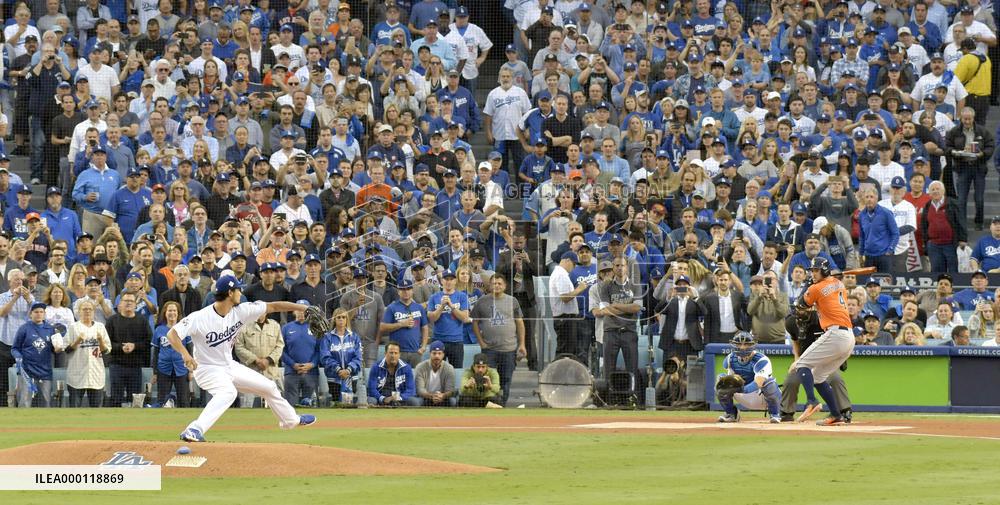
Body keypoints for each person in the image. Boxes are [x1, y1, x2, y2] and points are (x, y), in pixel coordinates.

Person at [165, 276, 315, 443]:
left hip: (229, 366)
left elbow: (273, 306)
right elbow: (172, 334)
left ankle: (290, 420)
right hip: (207, 369)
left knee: (269, 387)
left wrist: (305, 308)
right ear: (230, 293)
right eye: (238, 289)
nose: (240, 292)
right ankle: (195, 429)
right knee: (228, 392)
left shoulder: (241, 311)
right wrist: (185, 355)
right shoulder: (200, 317)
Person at [792, 257, 854, 426]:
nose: (813, 273)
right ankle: (836, 415)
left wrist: (807, 285)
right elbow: (826, 289)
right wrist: (814, 283)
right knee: (818, 377)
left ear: (825, 271)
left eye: (816, 270)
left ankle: (811, 401)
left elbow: (800, 305)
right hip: (848, 337)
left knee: (801, 364)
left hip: (836, 333)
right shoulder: (838, 283)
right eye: (812, 270)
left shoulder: (816, 288)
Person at [782, 304, 854, 422]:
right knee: (791, 380)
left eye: (803, 308)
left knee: (835, 378)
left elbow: (838, 341)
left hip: (825, 359)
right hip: (805, 360)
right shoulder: (791, 322)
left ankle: (844, 411)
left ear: (812, 308)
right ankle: (786, 412)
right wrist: (797, 359)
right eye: (798, 308)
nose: (799, 311)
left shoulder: (824, 320)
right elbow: (795, 341)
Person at [471, 275, 526, 406]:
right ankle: (489, 404)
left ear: (505, 286)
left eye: (499, 283)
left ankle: (502, 405)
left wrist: (522, 344)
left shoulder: (512, 301)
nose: (496, 286)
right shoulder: (482, 301)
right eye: (494, 283)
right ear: (490, 286)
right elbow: (474, 322)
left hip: (509, 349)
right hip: (489, 350)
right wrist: (481, 342)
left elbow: (520, 323)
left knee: (506, 379)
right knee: (488, 378)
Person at [945, 107, 994, 230]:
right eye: (964, 119)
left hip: (978, 167)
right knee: (961, 199)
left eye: (969, 119)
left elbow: (990, 146)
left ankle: (979, 222)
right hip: (962, 167)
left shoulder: (982, 131)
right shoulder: (954, 131)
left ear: (973, 118)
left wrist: (982, 154)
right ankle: (962, 224)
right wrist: (954, 152)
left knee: (979, 198)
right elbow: (947, 146)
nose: (967, 121)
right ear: (961, 118)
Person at [715, 332, 782, 424]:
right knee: (721, 380)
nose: (742, 347)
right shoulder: (730, 358)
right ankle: (731, 414)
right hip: (742, 396)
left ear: (752, 345)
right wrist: (730, 385)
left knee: (770, 383)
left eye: (746, 344)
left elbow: (759, 382)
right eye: (739, 344)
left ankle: (775, 414)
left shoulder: (761, 360)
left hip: (760, 397)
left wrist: (742, 389)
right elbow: (730, 378)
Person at [11, 302, 63, 407]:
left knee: (46, 401)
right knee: (24, 402)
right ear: (31, 314)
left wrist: (58, 349)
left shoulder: (51, 329)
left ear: (44, 314)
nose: (39, 314)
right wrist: (18, 357)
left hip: (45, 371)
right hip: (26, 371)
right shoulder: (24, 328)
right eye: (36, 312)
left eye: (41, 312)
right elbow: (15, 348)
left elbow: (54, 349)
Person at [106, 290, 152, 407]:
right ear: (120, 303)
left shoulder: (142, 321)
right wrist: (121, 347)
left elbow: (148, 342)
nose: (128, 303)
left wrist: (134, 346)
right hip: (117, 365)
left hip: (135, 366)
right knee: (116, 399)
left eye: (131, 301)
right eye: (126, 300)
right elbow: (106, 343)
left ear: (135, 304)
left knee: (135, 400)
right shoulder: (112, 321)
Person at [63, 299, 112, 407]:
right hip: (77, 373)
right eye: (84, 309)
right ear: (79, 312)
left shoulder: (100, 327)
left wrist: (100, 341)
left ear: (93, 311)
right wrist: (78, 341)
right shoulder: (73, 327)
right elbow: (66, 349)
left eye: (90, 309)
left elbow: (106, 351)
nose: (87, 311)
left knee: (96, 409)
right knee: (74, 408)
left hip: (96, 373)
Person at [233, 312, 284, 407]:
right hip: (250, 370)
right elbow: (238, 347)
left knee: (273, 403)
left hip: (270, 370)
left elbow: (280, 346)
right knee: (248, 403)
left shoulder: (275, 325)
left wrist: (268, 360)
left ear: (266, 312)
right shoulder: (244, 325)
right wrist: (256, 360)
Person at [380, 279, 430, 368]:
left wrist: (423, 347)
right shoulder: (392, 308)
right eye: (403, 289)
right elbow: (382, 327)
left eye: (408, 289)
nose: (406, 292)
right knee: (397, 375)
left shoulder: (419, 308)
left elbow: (425, 327)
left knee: (415, 376)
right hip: (397, 352)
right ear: (398, 291)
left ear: (412, 290)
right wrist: (401, 324)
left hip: (415, 352)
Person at [319, 308, 363, 405]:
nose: (341, 319)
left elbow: (358, 357)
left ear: (347, 319)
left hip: (351, 377)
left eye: (344, 317)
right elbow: (325, 357)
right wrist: (338, 370)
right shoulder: (327, 337)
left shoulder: (354, 337)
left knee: (349, 404)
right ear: (334, 319)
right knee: (336, 404)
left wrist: (348, 370)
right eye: (338, 317)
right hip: (334, 377)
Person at [280, 300, 320, 406]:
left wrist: (312, 364)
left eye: (304, 310)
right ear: (294, 311)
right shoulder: (286, 328)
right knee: (290, 406)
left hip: (311, 373)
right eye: (299, 309)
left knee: (310, 405)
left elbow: (320, 350)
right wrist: (293, 364)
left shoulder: (316, 327)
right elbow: (280, 350)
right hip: (291, 372)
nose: (301, 312)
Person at [367, 341, 416, 406]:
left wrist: (398, 397)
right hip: (380, 397)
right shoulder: (376, 367)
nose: (393, 355)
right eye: (391, 353)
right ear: (385, 353)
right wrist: (383, 398)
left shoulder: (406, 368)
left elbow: (410, 390)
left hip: (399, 398)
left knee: (413, 401)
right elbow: (371, 389)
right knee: (371, 400)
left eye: (396, 353)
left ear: (399, 354)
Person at [412, 340, 459, 407]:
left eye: (439, 353)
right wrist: (432, 396)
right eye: (434, 353)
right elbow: (420, 389)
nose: (437, 356)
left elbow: (450, 390)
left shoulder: (449, 368)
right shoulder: (420, 367)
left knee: (452, 401)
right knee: (416, 402)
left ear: (443, 355)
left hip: (443, 398)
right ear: (430, 354)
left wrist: (442, 396)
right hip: (425, 397)